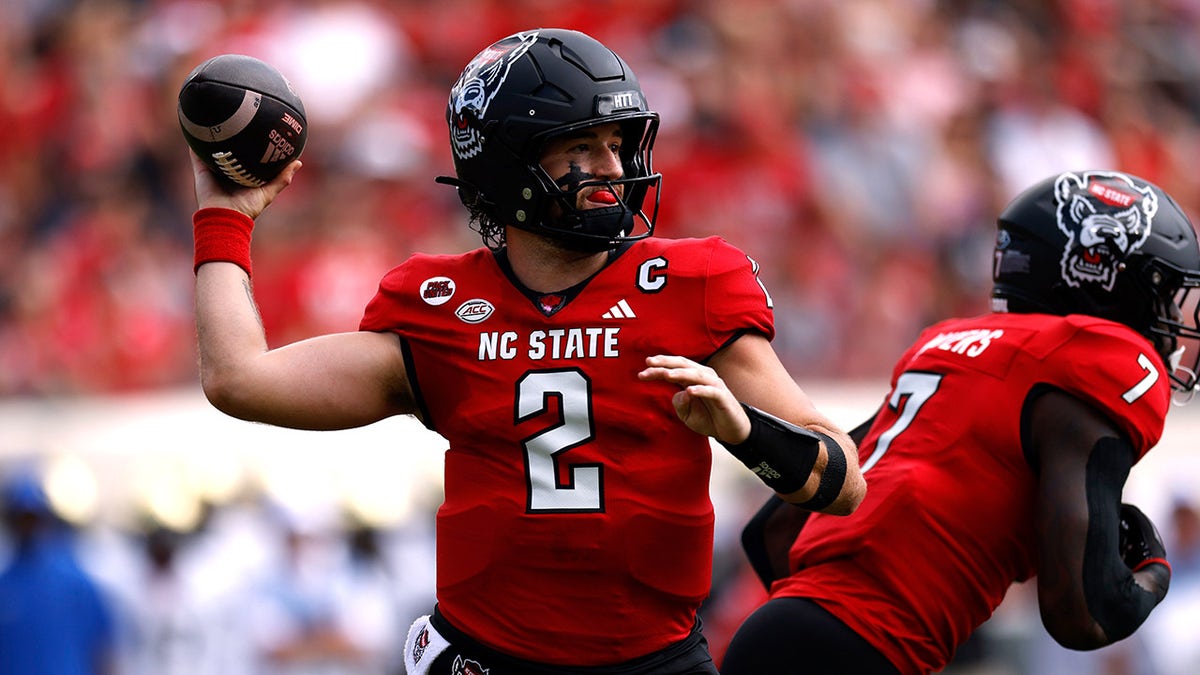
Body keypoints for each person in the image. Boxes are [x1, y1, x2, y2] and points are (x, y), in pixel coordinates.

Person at [185, 28, 865, 675]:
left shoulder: (691, 285)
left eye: (617, 144)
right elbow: (240, 379)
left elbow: (844, 483)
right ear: (507, 160)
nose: (612, 167)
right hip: (487, 657)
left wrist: (743, 432)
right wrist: (226, 215)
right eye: (582, 148)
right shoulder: (439, 304)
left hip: (651, 658)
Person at [720, 169, 1194, 675]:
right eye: (1159, 289)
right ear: (1096, 271)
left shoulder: (947, 347)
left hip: (770, 632)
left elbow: (771, 531)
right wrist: (1153, 573)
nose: (1168, 318)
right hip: (863, 651)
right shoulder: (1097, 363)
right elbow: (1082, 614)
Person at [0, 469, 118, 675]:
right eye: (22, 519)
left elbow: (104, 651)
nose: (28, 527)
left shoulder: (78, 585)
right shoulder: (5, 586)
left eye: (33, 519)